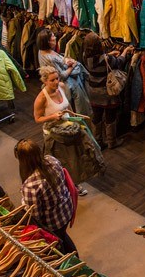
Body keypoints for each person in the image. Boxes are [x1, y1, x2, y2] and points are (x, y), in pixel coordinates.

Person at [34, 65, 104, 194]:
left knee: (74, 159)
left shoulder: (61, 87)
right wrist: (53, 116)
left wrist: (73, 117)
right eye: (52, 80)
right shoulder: (41, 98)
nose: (56, 82)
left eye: (57, 78)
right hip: (54, 134)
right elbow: (37, 119)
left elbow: (67, 105)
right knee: (61, 162)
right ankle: (65, 186)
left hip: (69, 129)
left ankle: (74, 184)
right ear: (45, 81)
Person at [14, 139, 77, 253]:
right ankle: (75, 259)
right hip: (66, 209)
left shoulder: (31, 185)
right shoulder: (52, 160)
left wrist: (23, 202)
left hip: (53, 222)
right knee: (63, 236)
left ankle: (72, 263)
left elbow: (35, 216)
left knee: (59, 243)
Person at [81, 32, 132, 149]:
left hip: (93, 90)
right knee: (110, 116)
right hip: (106, 91)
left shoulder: (85, 56)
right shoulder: (106, 59)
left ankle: (97, 140)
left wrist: (109, 54)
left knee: (96, 115)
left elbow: (97, 60)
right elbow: (119, 62)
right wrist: (125, 51)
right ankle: (111, 141)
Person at [37, 28, 91, 117]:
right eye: (53, 36)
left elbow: (59, 59)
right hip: (63, 82)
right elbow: (61, 76)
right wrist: (72, 66)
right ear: (48, 41)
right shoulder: (49, 58)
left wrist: (66, 61)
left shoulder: (43, 51)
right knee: (78, 80)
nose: (55, 37)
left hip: (62, 75)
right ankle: (82, 115)